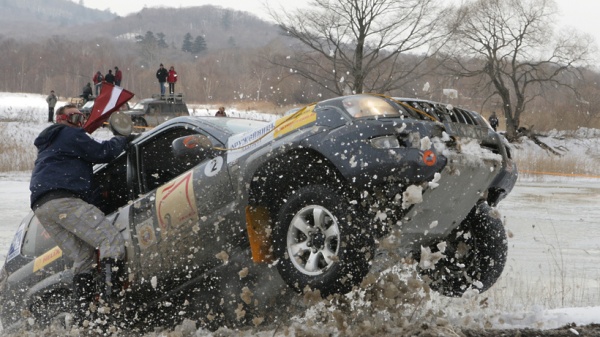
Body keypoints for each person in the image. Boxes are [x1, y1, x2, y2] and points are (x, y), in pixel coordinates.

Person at [29, 104, 132, 324]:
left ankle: (85, 316)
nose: (80, 122)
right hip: (63, 200)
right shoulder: (69, 134)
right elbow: (103, 152)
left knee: (84, 256)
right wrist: (122, 139)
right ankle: (109, 305)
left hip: (42, 206)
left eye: (82, 117)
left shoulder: (49, 143)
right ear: (61, 119)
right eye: (75, 117)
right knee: (109, 240)